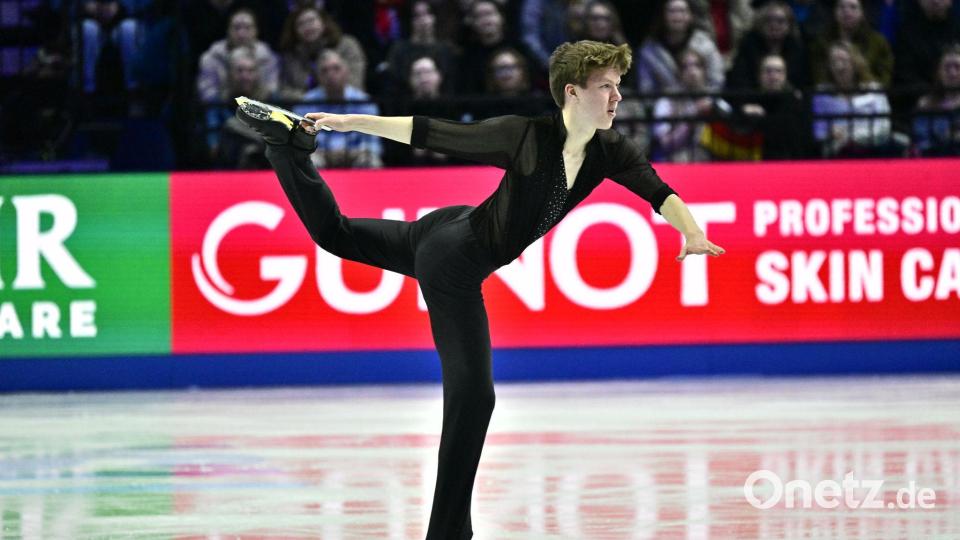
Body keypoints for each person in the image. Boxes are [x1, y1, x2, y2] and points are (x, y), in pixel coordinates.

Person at [234, 39, 724, 540]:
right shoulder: (525, 136)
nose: (618, 98)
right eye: (606, 88)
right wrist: (349, 121)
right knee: (474, 399)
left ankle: (285, 148)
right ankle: (448, 535)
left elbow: (657, 190)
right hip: (454, 262)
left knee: (334, 234)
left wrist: (690, 229)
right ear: (573, 93)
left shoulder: (610, 149)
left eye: (619, 86)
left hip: (446, 229)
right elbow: (433, 132)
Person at [294, 50, 383, 168]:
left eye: (336, 68)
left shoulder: (364, 102)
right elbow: (300, 144)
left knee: (372, 161)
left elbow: (374, 146)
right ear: (318, 76)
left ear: (346, 72)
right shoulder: (306, 104)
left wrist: (352, 153)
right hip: (320, 156)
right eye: (324, 71)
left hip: (356, 156)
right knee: (309, 161)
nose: (330, 74)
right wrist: (325, 153)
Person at [811, 41, 893, 156]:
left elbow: (883, 128)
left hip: (873, 150)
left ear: (856, 63)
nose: (839, 67)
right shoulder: (822, 93)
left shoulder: (874, 90)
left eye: (844, 61)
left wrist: (850, 136)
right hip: (837, 153)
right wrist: (829, 133)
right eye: (834, 62)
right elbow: (818, 132)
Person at [636, 0, 725, 96]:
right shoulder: (649, 50)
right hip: (664, 107)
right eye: (672, 11)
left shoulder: (706, 45)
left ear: (691, 16)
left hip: (702, 104)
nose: (677, 17)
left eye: (682, 11)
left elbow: (716, 81)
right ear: (663, 16)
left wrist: (707, 101)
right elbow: (646, 88)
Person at [196, 9, 278, 104]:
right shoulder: (211, 58)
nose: (241, 34)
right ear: (228, 30)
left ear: (256, 31)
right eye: (236, 28)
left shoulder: (268, 58)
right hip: (221, 108)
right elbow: (207, 94)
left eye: (247, 28)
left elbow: (272, 91)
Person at [727, 0, 810, 90]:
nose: (774, 25)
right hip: (754, 98)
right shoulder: (748, 45)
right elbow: (738, 80)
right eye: (768, 20)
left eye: (780, 21)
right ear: (760, 23)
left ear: (789, 24)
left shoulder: (797, 48)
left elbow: (803, 83)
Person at [809, 0, 894, 86]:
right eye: (841, 7)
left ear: (862, 13)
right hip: (831, 95)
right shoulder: (822, 42)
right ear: (834, 12)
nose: (847, 11)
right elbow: (819, 78)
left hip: (870, 94)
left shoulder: (878, 42)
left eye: (853, 7)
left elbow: (884, 80)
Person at [912, 44, 960, 155]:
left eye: (957, 67)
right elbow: (920, 141)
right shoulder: (925, 104)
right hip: (934, 160)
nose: (952, 73)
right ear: (939, 72)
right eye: (947, 68)